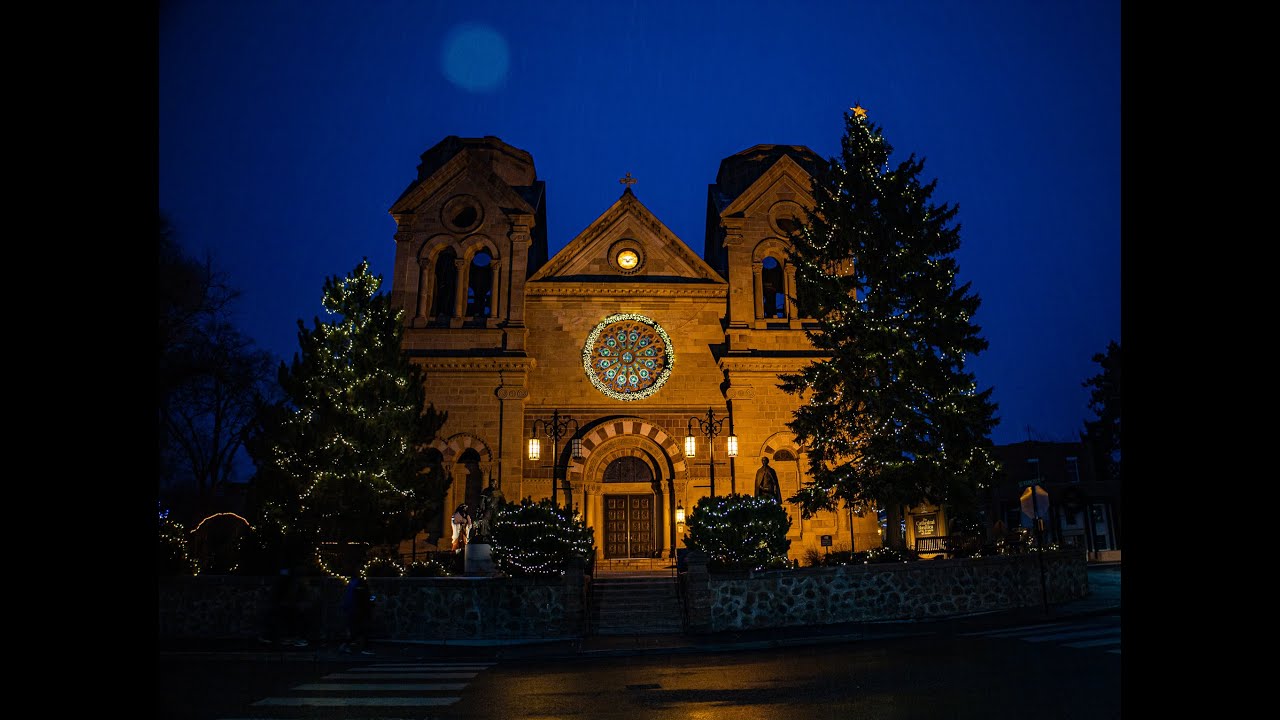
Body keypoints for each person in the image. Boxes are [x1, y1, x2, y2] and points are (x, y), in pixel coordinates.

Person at [338, 575, 374, 655]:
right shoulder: (361, 586)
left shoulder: (352, 585)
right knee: (361, 630)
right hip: (360, 610)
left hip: (354, 610)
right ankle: (363, 647)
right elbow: (368, 597)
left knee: (356, 630)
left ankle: (348, 645)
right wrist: (372, 600)